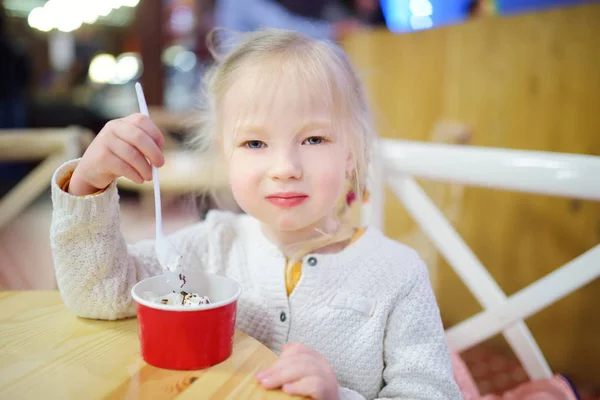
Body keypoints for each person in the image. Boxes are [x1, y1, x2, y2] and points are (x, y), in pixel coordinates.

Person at [50, 29, 462, 399]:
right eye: (254, 143)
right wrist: (88, 182)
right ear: (224, 154)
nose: (285, 167)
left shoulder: (398, 275)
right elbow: (99, 294)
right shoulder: (211, 247)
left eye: (314, 138)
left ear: (352, 153)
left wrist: (339, 396)